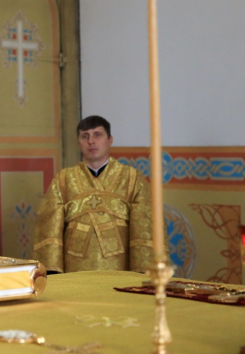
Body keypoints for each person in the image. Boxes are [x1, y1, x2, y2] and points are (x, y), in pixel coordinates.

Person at [33, 115, 155, 273]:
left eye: (97, 135)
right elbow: (49, 226)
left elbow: (144, 227)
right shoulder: (63, 180)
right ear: (79, 142)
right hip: (75, 269)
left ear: (110, 140)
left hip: (119, 267)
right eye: (85, 136)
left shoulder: (132, 179)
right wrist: (52, 270)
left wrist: (142, 270)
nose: (91, 141)